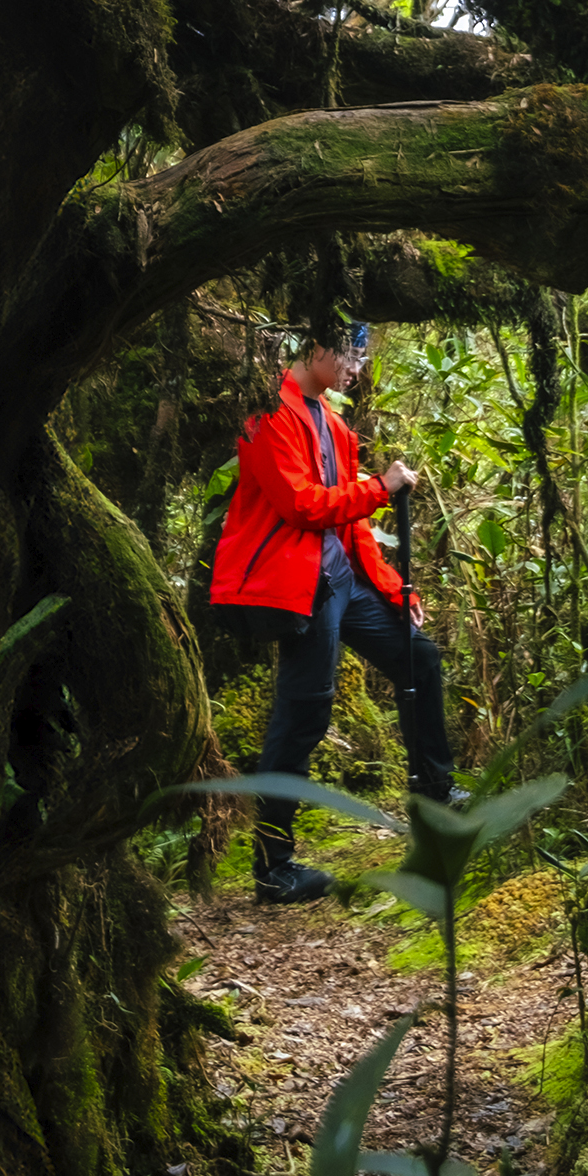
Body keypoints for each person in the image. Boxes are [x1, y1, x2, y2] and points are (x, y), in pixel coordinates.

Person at [211, 321, 464, 905]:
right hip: (296, 586)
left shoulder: (333, 423)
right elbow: (302, 505)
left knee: (418, 659)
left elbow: (349, 524)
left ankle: (435, 795)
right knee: (303, 715)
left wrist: (394, 588)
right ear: (316, 347)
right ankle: (274, 867)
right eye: (350, 354)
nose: (356, 367)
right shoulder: (266, 414)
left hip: (340, 579)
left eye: (361, 355)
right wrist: (382, 485)